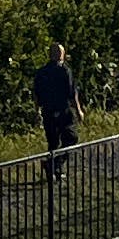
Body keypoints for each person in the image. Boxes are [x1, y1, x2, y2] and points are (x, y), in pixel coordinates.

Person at [33, 41, 81, 178]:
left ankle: (53, 167)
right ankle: (54, 166)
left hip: (49, 111)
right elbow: (72, 92)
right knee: (70, 138)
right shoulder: (64, 70)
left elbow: (36, 94)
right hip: (62, 110)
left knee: (54, 142)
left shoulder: (42, 72)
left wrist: (37, 110)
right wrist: (78, 110)